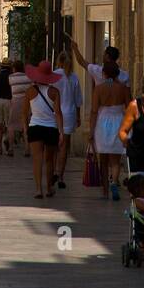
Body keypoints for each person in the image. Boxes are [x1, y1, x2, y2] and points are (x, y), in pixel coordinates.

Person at [88, 56, 131, 199]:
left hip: (102, 123)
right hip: (119, 121)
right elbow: (130, 108)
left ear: (104, 73)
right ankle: (114, 181)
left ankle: (105, 191)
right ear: (118, 73)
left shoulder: (99, 89)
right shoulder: (123, 89)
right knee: (115, 160)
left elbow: (94, 111)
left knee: (103, 159)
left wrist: (91, 130)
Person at [22, 60, 64, 199]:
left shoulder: (30, 91)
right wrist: (61, 132)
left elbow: (24, 113)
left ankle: (38, 189)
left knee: (37, 160)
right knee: (49, 160)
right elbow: (58, 113)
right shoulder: (54, 92)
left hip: (35, 127)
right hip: (51, 128)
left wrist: (25, 129)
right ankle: (49, 188)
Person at [53, 50, 82, 188]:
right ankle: (61, 176)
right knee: (64, 146)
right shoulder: (74, 77)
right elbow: (77, 100)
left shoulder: (54, 75)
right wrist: (79, 116)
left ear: (58, 61)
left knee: (53, 145)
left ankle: (52, 171)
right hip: (69, 113)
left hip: (54, 113)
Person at [8, 60, 32, 155]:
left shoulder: (11, 77)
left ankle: (10, 148)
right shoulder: (28, 77)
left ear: (14, 68)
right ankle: (27, 149)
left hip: (15, 102)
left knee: (11, 125)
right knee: (26, 125)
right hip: (26, 102)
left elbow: (11, 90)